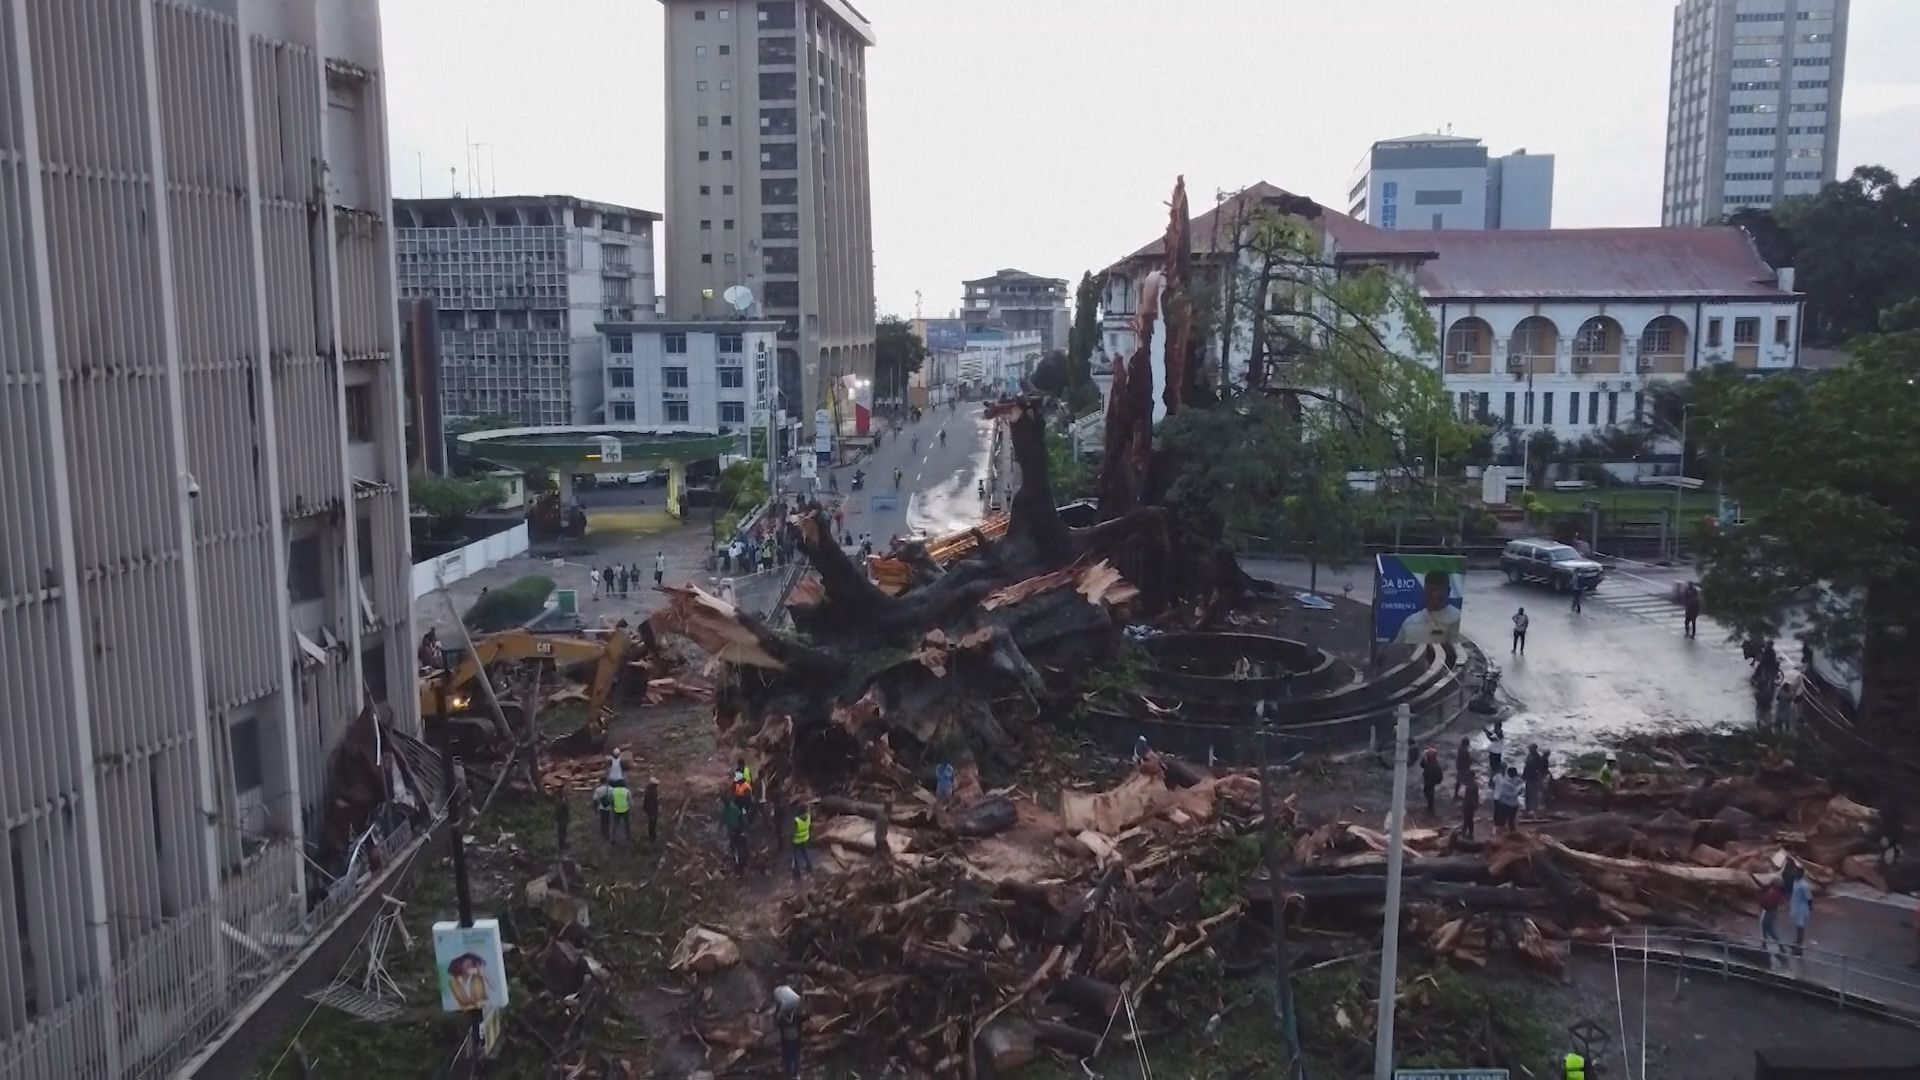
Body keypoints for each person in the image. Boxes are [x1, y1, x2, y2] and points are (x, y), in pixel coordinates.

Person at [1394, 570, 1462, 647]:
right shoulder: (1410, 622)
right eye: (1431, 591)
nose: (1434, 595)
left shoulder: (1457, 618)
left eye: (1439, 591)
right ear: (1425, 591)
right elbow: (1395, 649)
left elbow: (1456, 651)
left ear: (1448, 591)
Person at [774, 985, 804, 1079]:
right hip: (791, 1040)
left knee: (792, 1057)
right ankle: (792, 1074)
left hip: (791, 1040)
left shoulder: (790, 1017)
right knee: (791, 1057)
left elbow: (776, 1022)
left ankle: (792, 1073)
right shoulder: (791, 1017)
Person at [1758, 876, 1789, 959]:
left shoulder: (1774, 893)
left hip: (1769, 911)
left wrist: (1762, 900)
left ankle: (1779, 946)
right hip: (1772, 911)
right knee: (1765, 927)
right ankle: (1765, 944)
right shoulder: (1777, 892)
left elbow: (1766, 902)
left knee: (1769, 929)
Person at [1789, 862, 1815, 955]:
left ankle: (1799, 948)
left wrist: (1810, 907)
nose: (1794, 873)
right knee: (1797, 927)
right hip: (1796, 907)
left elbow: (1809, 897)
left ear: (1800, 874)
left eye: (1796, 872)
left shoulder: (1804, 885)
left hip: (1801, 909)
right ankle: (1797, 943)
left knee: (1800, 928)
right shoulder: (1795, 882)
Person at [790, 804, 814, 882]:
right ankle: (809, 867)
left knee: (796, 856)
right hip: (805, 839)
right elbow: (810, 827)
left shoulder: (796, 820)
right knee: (806, 853)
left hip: (796, 841)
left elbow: (792, 832)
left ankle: (798, 873)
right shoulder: (808, 817)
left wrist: (790, 840)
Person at [1495, 766, 1523, 831]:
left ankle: (1512, 833)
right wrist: (1517, 791)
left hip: (1514, 804)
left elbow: (1518, 791)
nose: (1516, 775)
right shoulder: (1505, 783)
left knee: (1512, 820)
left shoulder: (1515, 780)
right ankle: (1501, 834)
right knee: (1503, 820)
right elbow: (1507, 794)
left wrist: (1519, 789)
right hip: (1506, 804)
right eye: (1515, 774)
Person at [1523, 745, 1549, 812]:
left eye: (1530, 748)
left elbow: (1539, 768)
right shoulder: (1530, 756)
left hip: (1533, 778)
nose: (1529, 749)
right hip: (1529, 777)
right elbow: (1526, 767)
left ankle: (1533, 808)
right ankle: (1528, 808)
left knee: (1533, 793)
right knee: (1528, 793)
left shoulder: (1536, 757)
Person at [1420, 747, 1444, 815]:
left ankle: (1430, 805)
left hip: (1430, 780)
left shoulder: (1432, 765)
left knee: (1429, 791)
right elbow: (1422, 764)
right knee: (1428, 791)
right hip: (1431, 780)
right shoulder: (1432, 762)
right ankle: (1430, 804)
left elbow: (1422, 765)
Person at [609, 781, 633, 845]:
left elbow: (611, 799)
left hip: (616, 809)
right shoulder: (627, 791)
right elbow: (630, 800)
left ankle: (613, 838)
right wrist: (630, 806)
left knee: (615, 824)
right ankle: (628, 837)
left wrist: (612, 806)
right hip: (625, 809)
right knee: (627, 824)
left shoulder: (613, 791)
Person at [1460, 770, 1481, 840]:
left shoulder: (1470, 785)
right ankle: (1467, 832)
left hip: (1468, 805)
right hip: (1469, 804)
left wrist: (1475, 804)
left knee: (1468, 819)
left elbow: (1475, 796)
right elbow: (1476, 796)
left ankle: (1468, 832)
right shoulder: (1473, 784)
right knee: (1468, 819)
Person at [552, 786, 571, 853]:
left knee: (562, 832)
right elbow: (564, 810)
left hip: (561, 819)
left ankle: (562, 845)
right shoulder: (561, 802)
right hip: (562, 819)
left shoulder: (559, 801)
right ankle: (562, 846)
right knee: (562, 833)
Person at [643, 777, 661, 844]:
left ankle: (651, 835)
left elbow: (646, 801)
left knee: (651, 823)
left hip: (649, 809)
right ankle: (653, 837)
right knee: (653, 823)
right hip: (652, 810)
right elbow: (653, 802)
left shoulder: (648, 790)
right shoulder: (653, 792)